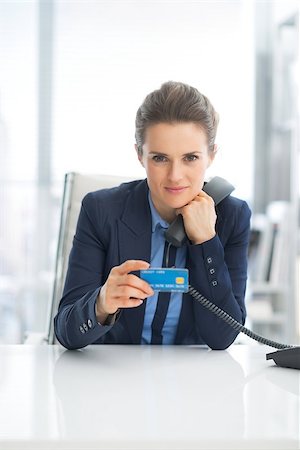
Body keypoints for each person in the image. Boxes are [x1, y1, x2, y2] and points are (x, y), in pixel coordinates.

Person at [54, 81, 251, 350]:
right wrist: (101, 303)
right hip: (113, 379)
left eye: (191, 158)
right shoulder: (100, 211)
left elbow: (222, 338)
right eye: (160, 158)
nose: (175, 176)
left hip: (195, 382)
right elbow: (66, 332)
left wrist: (206, 241)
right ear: (140, 155)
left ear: (211, 155)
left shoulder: (232, 216)